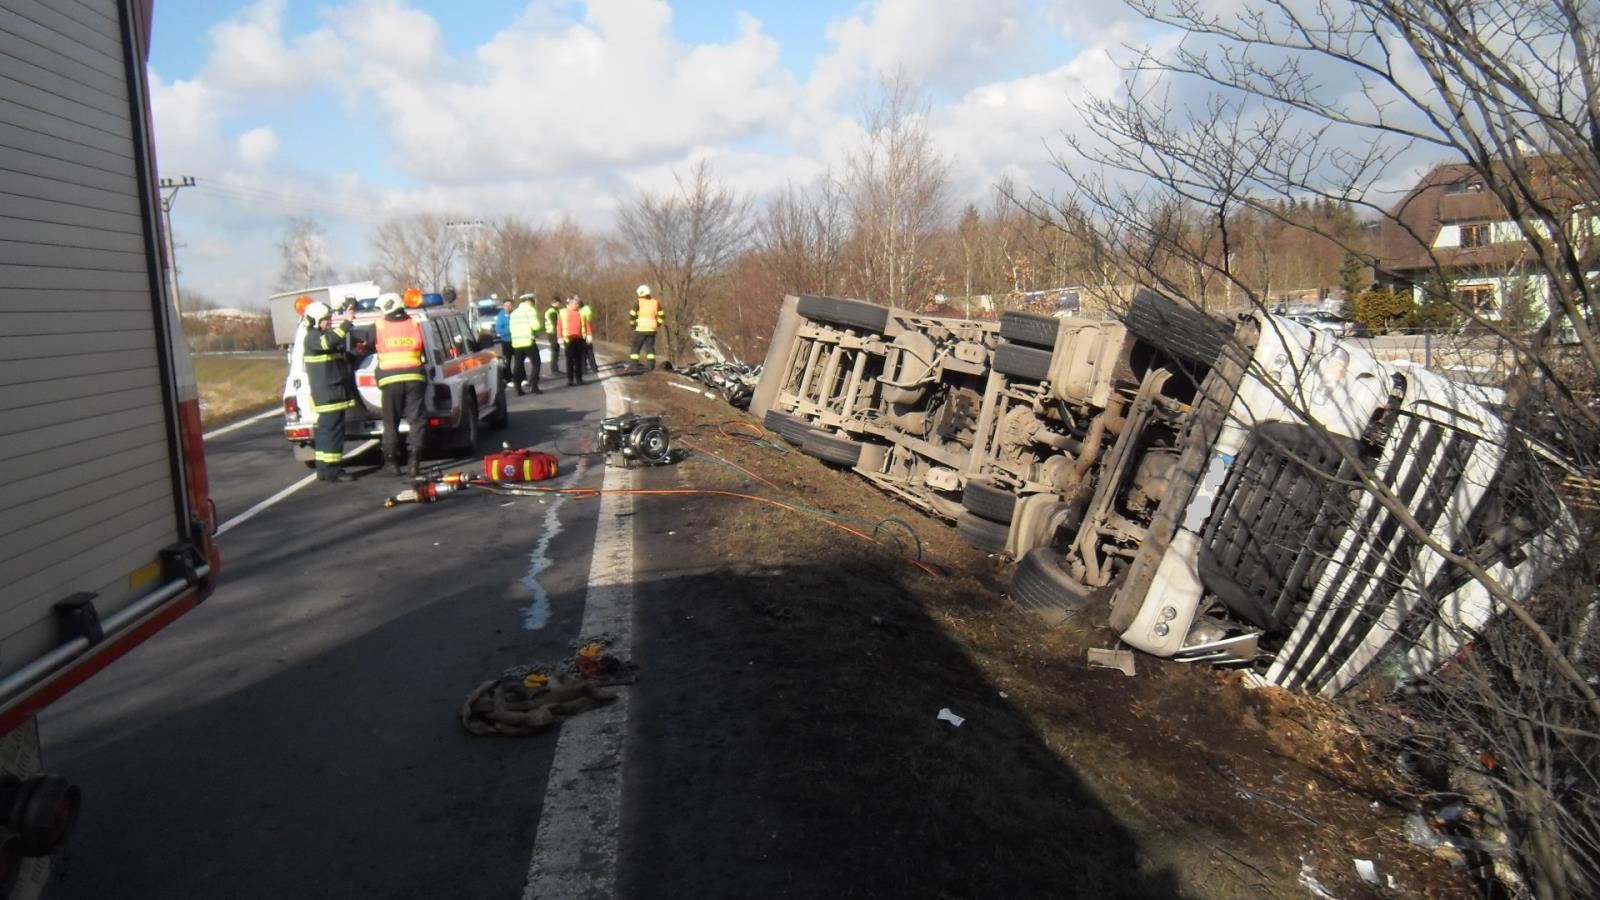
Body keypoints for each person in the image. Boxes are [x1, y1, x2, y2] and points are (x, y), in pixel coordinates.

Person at [301, 300, 360, 482]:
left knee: (330, 432)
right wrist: (347, 322)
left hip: (333, 394)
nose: (329, 322)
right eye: (326, 319)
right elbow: (328, 342)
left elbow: (337, 359)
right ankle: (332, 471)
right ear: (316, 320)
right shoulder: (313, 337)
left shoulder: (320, 337)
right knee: (331, 433)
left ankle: (325, 470)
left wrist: (354, 353)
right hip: (328, 395)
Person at [374, 292, 427, 478]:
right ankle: (414, 462)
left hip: (389, 380)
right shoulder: (414, 323)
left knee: (391, 422)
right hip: (414, 377)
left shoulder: (380, 325)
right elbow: (424, 350)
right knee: (417, 420)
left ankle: (391, 463)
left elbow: (365, 344)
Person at [508, 293, 543, 395]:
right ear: (530, 301)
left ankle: (518, 388)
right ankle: (534, 385)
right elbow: (536, 326)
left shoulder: (514, 313)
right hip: (528, 341)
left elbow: (511, 329)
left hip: (516, 343)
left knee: (518, 365)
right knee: (536, 362)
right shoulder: (530, 310)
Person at [557, 295, 592, 386]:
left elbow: (587, 324)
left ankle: (579, 378)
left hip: (580, 339)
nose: (577, 305)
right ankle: (570, 379)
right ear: (569, 304)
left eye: (578, 304)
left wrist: (589, 335)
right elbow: (559, 326)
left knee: (579, 359)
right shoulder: (563, 313)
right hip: (568, 340)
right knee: (569, 360)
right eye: (575, 304)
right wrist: (559, 337)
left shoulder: (582, 313)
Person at [628, 284, 663, 371]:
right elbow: (661, 315)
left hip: (640, 329)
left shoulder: (638, 302)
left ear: (640, 293)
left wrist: (632, 324)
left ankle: (633, 366)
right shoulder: (656, 302)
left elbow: (632, 314)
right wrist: (658, 323)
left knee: (636, 347)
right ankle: (650, 366)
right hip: (652, 329)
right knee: (650, 348)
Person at [494, 297, 515, 384]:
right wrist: (509, 331)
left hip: (516, 340)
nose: (508, 307)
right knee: (507, 360)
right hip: (506, 341)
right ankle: (508, 377)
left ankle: (521, 376)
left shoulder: (515, 314)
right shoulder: (501, 316)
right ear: (503, 307)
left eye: (509, 305)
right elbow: (498, 329)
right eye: (506, 306)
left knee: (519, 359)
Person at [577, 296, 600, 373]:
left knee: (585, 352)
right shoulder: (585, 310)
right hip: (584, 333)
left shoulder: (582, 311)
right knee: (588, 351)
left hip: (583, 333)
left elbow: (587, 323)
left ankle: (585, 368)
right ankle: (592, 367)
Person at [543, 297, 564, 375]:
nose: (559, 304)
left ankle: (555, 369)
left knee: (556, 351)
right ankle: (554, 370)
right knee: (555, 351)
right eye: (559, 303)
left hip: (552, 332)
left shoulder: (553, 310)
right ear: (555, 302)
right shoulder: (552, 311)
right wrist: (560, 334)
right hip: (553, 333)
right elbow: (555, 323)